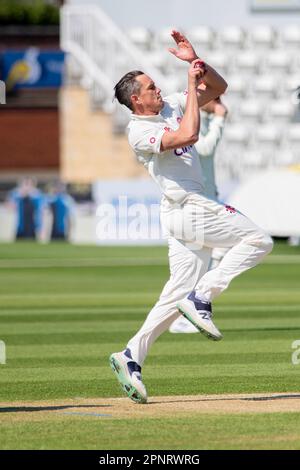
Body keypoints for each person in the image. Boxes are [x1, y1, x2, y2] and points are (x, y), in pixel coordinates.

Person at [110, 31, 273, 404]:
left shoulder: (171, 105)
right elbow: (191, 134)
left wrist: (196, 62)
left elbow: (219, 86)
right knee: (258, 240)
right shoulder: (139, 131)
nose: (158, 90)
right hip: (188, 207)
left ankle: (131, 355)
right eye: (151, 88)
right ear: (137, 100)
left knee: (173, 296)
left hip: (184, 214)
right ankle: (203, 297)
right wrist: (188, 83)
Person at [169, 96, 229, 333]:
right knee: (206, 255)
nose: (217, 100)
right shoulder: (189, 118)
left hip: (208, 197)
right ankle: (190, 309)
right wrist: (220, 118)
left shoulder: (203, 117)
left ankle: (192, 308)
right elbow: (204, 148)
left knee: (210, 254)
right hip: (198, 201)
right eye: (213, 97)